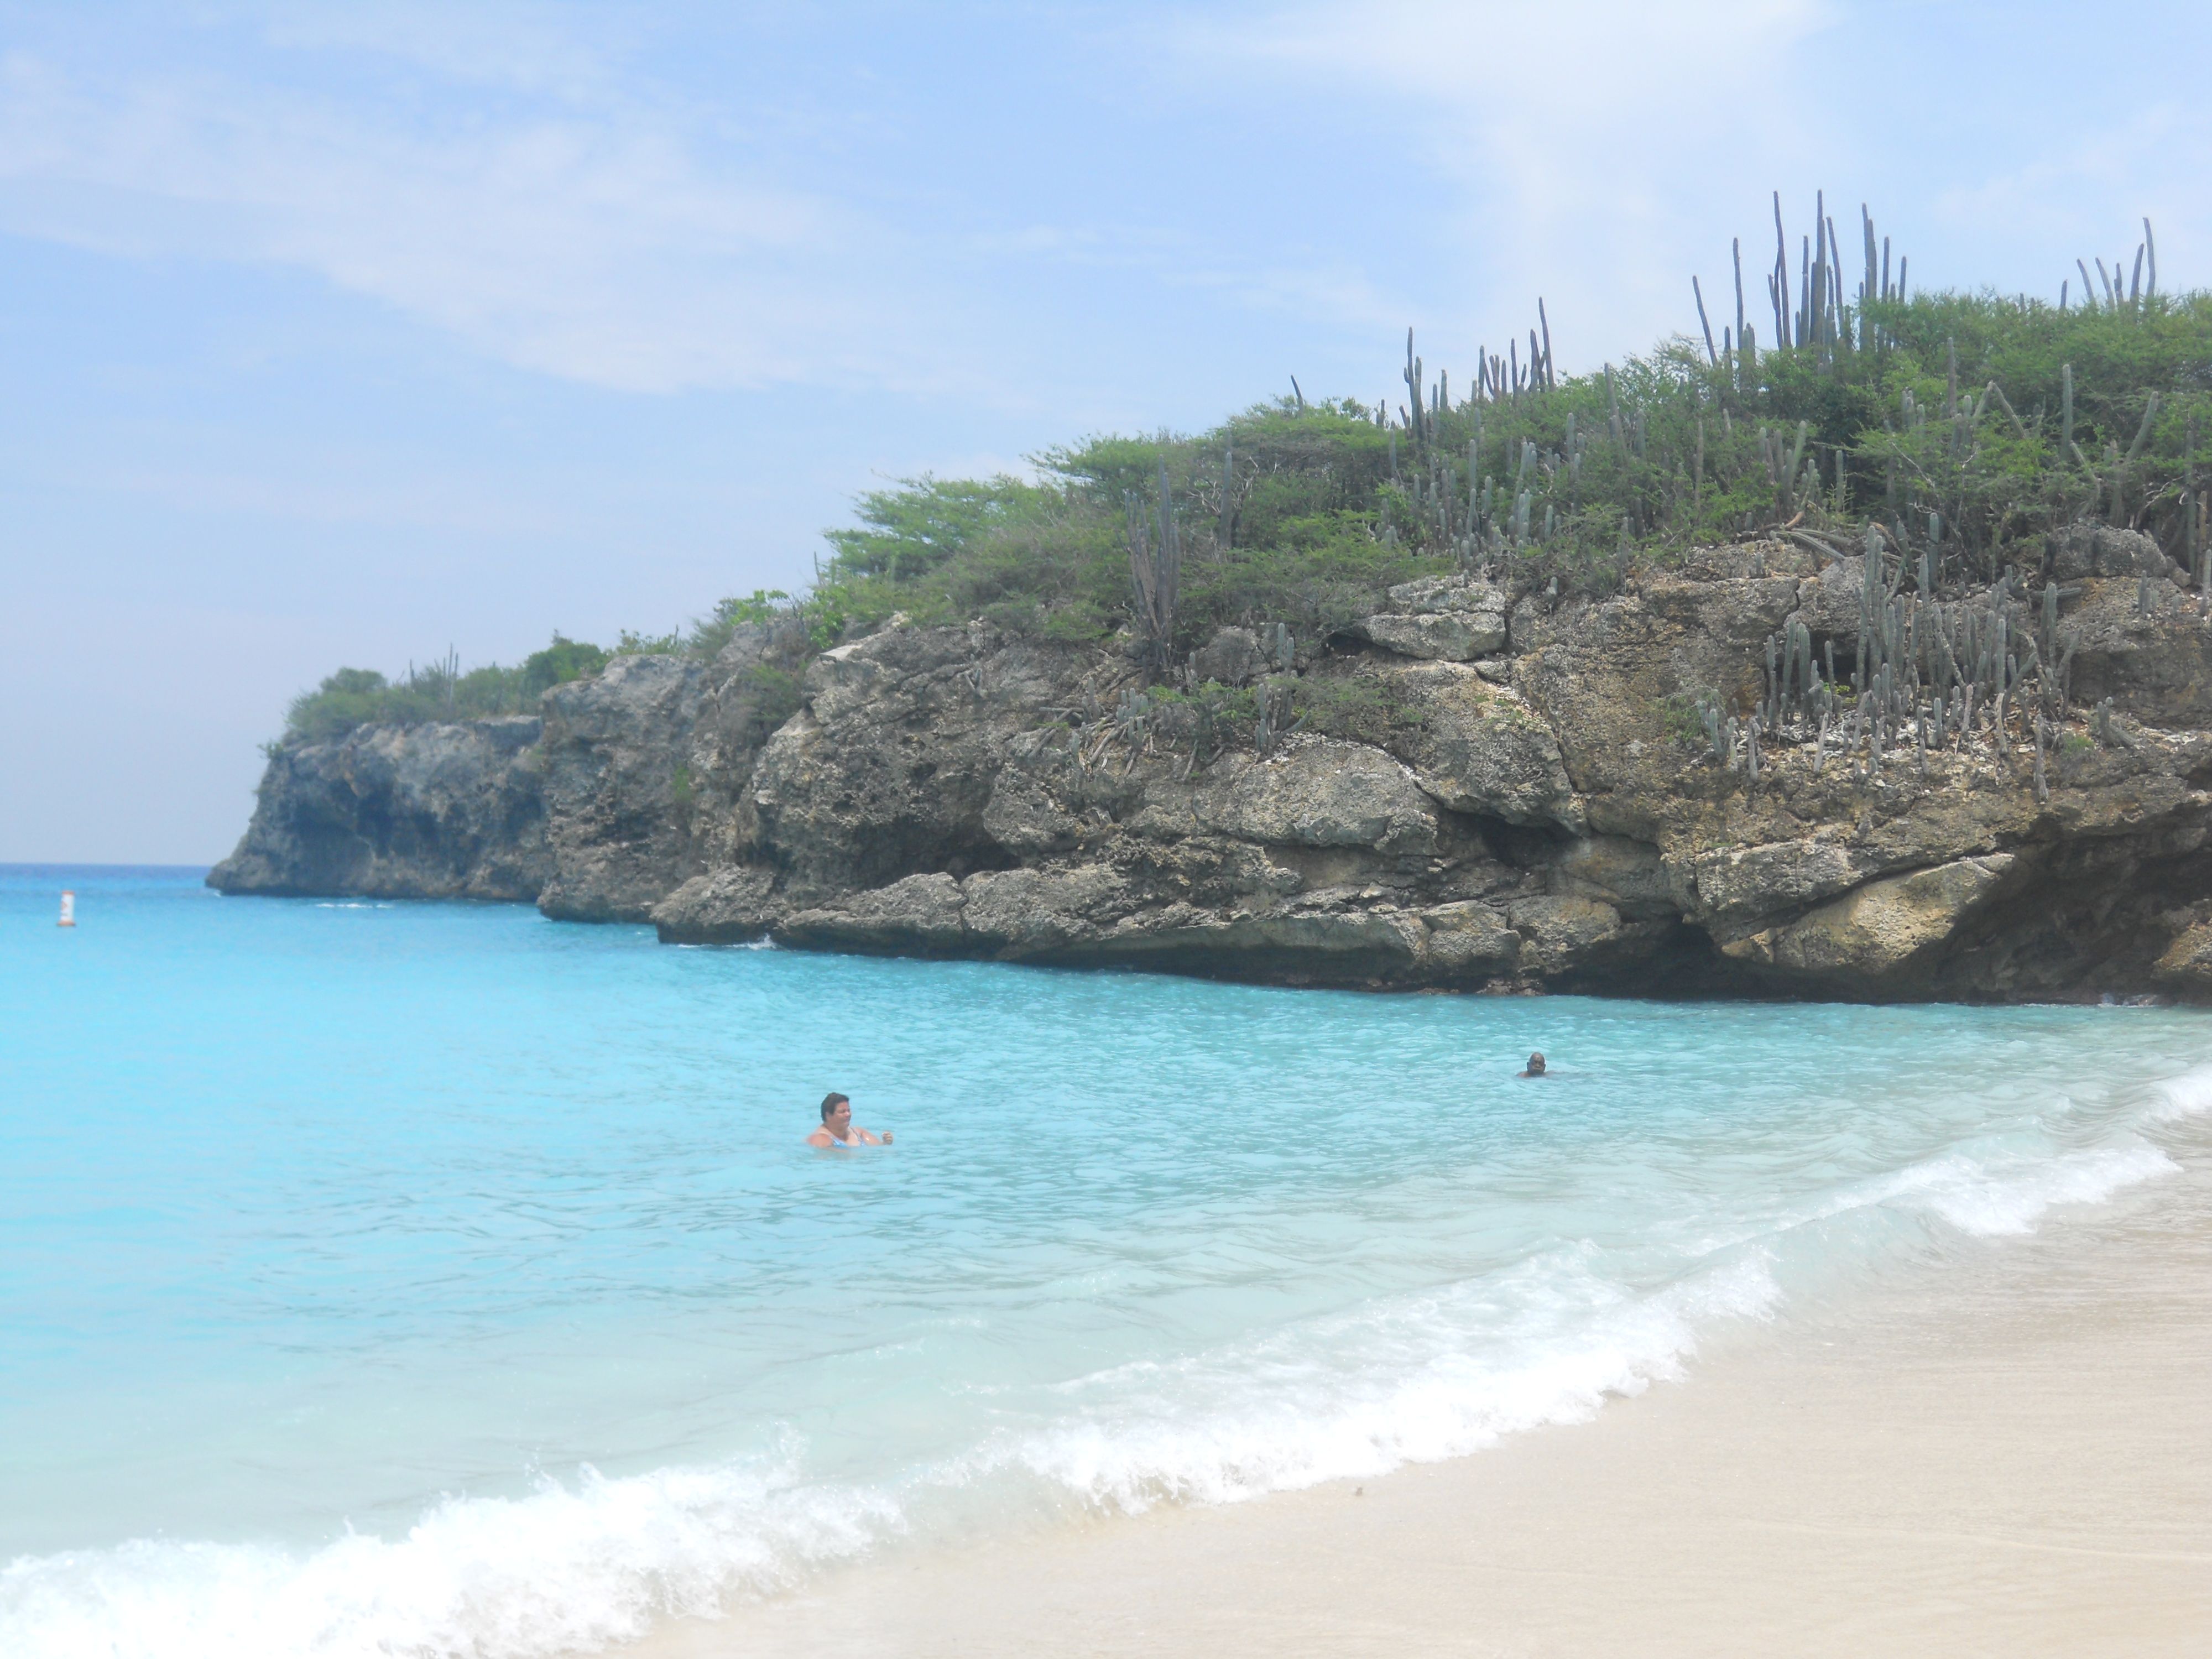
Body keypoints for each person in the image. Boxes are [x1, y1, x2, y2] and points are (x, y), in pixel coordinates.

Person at [808, 1092, 891, 1147]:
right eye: (842, 1112)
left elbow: (879, 1149)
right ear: (829, 1116)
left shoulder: (859, 1133)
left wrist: (886, 1143)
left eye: (849, 1110)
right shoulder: (820, 1139)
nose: (848, 1114)